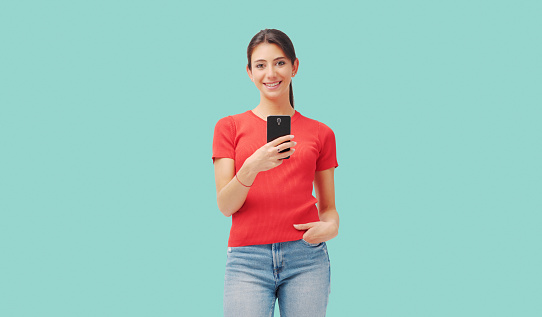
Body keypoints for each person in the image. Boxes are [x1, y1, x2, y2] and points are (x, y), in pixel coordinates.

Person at [212, 28, 339, 317]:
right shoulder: (228, 127)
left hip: (306, 257)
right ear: (249, 72)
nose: (271, 73)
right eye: (261, 65)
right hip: (247, 260)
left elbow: (329, 209)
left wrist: (331, 227)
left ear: (295, 67)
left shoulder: (322, 133)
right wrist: (252, 166)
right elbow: (225, 205)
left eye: (280, 62)